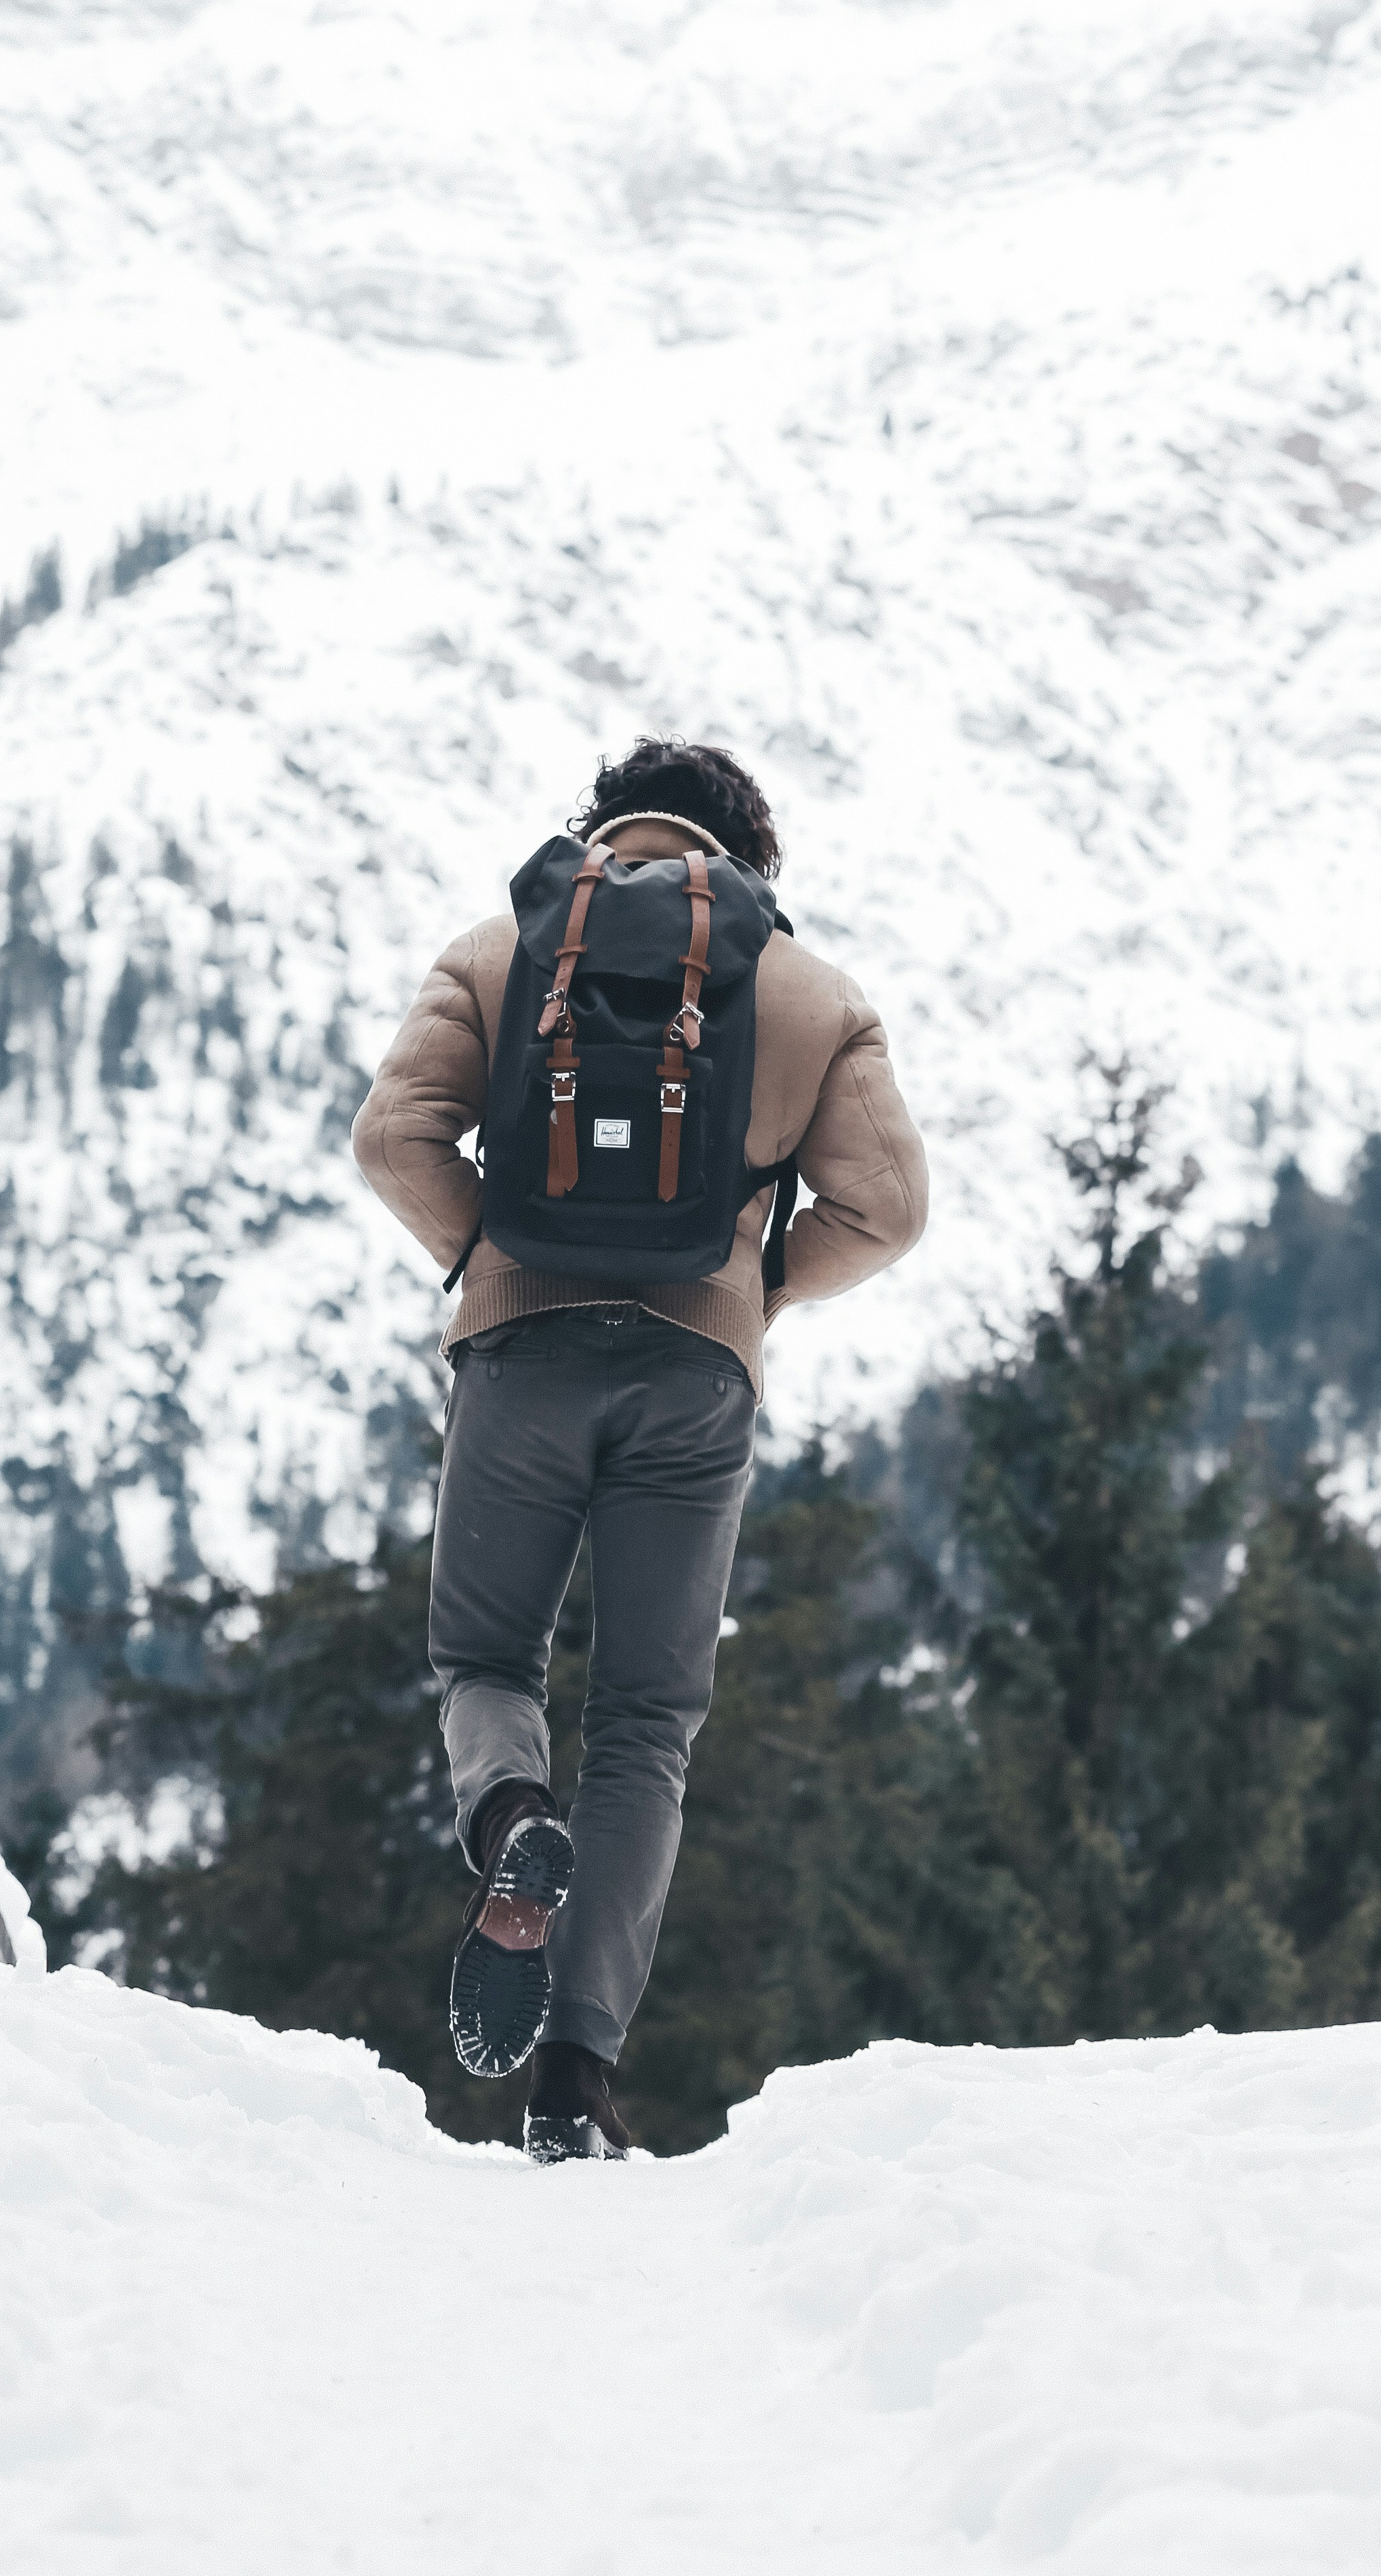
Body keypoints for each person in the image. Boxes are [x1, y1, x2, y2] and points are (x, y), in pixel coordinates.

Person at [351, 737, 929, 2161]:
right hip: (694, 1376)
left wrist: (489, 1256)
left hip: (522, 1356)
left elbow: (392, 1135)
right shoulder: (810, 991)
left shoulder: (504, 949)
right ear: (749, 858)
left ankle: (508, 1819)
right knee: (647, 1723)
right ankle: (575, 2083)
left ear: (603, 830)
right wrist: (755, 1284)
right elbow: (889, 1208)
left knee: (488, 1659)